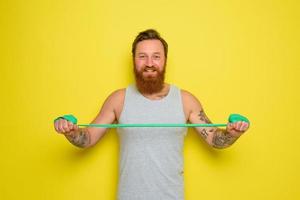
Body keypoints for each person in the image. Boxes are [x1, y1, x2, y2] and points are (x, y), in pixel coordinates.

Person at [53, 29, 249, 200]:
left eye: (156, 56)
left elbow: (215, 139)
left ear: (165, 60)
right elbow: (87, 138)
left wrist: (233, 133)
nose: (149, 63)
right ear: (133, 60)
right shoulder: (118, 99)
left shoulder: (185, 100)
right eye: (142, 56)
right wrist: (70, 131)